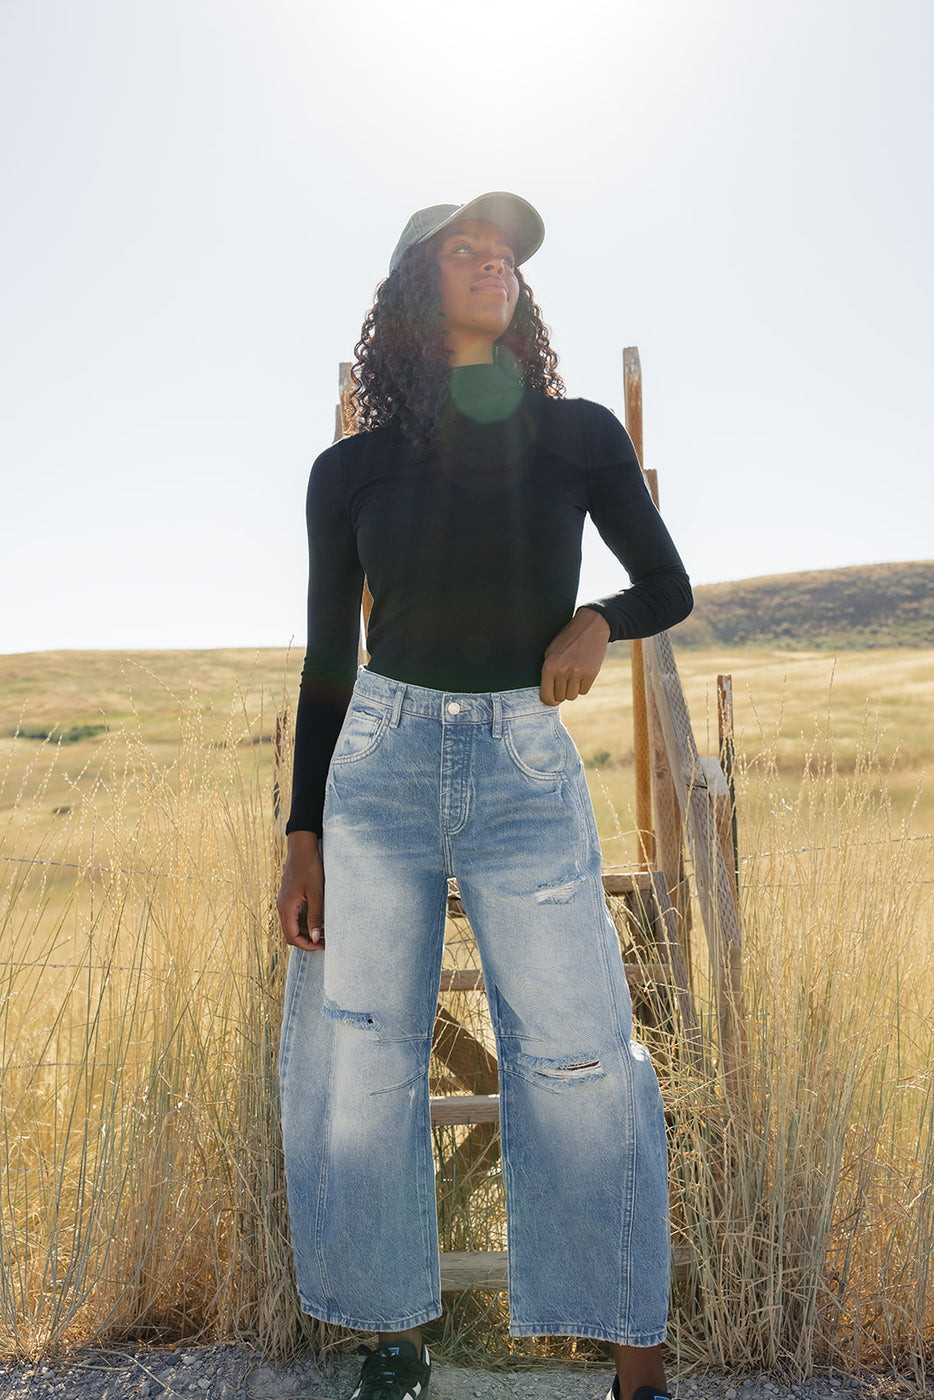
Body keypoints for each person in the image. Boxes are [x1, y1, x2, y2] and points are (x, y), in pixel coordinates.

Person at [276, 192, 692, 1400]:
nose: (493, 263)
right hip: (378, 770)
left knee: (578, 1054)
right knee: (363, 1057)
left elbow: (663, 579)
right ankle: (391, 1341)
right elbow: (324, 667)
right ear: (414, 286)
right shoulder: (347, 470)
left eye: (504, 252)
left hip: (520, 765)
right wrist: (301, 830)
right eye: (465, 248)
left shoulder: (574, 434)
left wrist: (595, 620)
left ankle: (635, 1356)